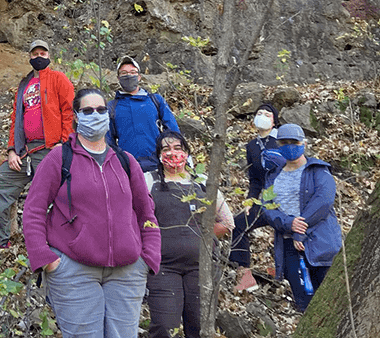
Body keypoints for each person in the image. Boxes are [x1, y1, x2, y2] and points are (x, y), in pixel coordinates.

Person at [22, 87, 161, 338]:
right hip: (74, 269)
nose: (95, 115)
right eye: (87, 110)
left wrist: (148, 257)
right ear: (76, 116)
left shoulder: (126, 161)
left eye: (100, 110)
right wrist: (45, 258)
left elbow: (146, 213)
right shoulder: (59, 158)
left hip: (127, 272)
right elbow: (33, 209)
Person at [0, 39, 74, 252]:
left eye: (42, 53)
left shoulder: (59, 79)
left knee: (60, 192)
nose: (38, 56)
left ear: (49, 55)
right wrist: (12, 150)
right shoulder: (25, 84)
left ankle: (62, 239)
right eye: (34, 54)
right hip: (26, 152)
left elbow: (69, 111)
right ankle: (1, 238)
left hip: (51, 149)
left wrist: (64, 143)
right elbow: (16, 119)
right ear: (29, 57)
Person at [145, 131, 234, 338]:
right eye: (166, 149)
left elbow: (227, 222)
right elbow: (135, 219)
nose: (172, 153)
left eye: (177, 148)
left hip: (201, 268)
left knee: (200, 326)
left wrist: (201, 236)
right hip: (163, 268)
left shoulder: (203, 182)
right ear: (158, 154)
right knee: (165, 328)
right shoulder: (148, 181)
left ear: (187, 152)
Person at [260, 123, 342, 312]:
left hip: (321, 242)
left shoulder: (318, 170)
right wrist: (289, 224)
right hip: (289, 246)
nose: (289, 145)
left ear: (303, 143)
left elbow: (323, 201)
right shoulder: (273, 176)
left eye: (294, 141)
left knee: (329, 302)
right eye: (284, 142)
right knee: (303, 302)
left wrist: (300, 230)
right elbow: (268, 206)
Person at [231, 103, 281, 292]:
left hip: (287, 198)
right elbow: (255, 179)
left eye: (267, 114)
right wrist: (251, 200)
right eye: (258, 113)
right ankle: (244, 274)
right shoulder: (252, 146)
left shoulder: (283, 140)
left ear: (274, 120)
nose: (262, 116)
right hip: (265, 199)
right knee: (239, 224)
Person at [106, 55, 179, 171]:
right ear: (118, 78)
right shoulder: (112, 107)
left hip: (158, 165)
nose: (128, 75)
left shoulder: (155, 101)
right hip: (128, 168)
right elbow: (108, 141)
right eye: (124, 73)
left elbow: (173, 132)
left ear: (139, 77)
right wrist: (119, 160)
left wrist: (171, 156)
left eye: (132, 72)